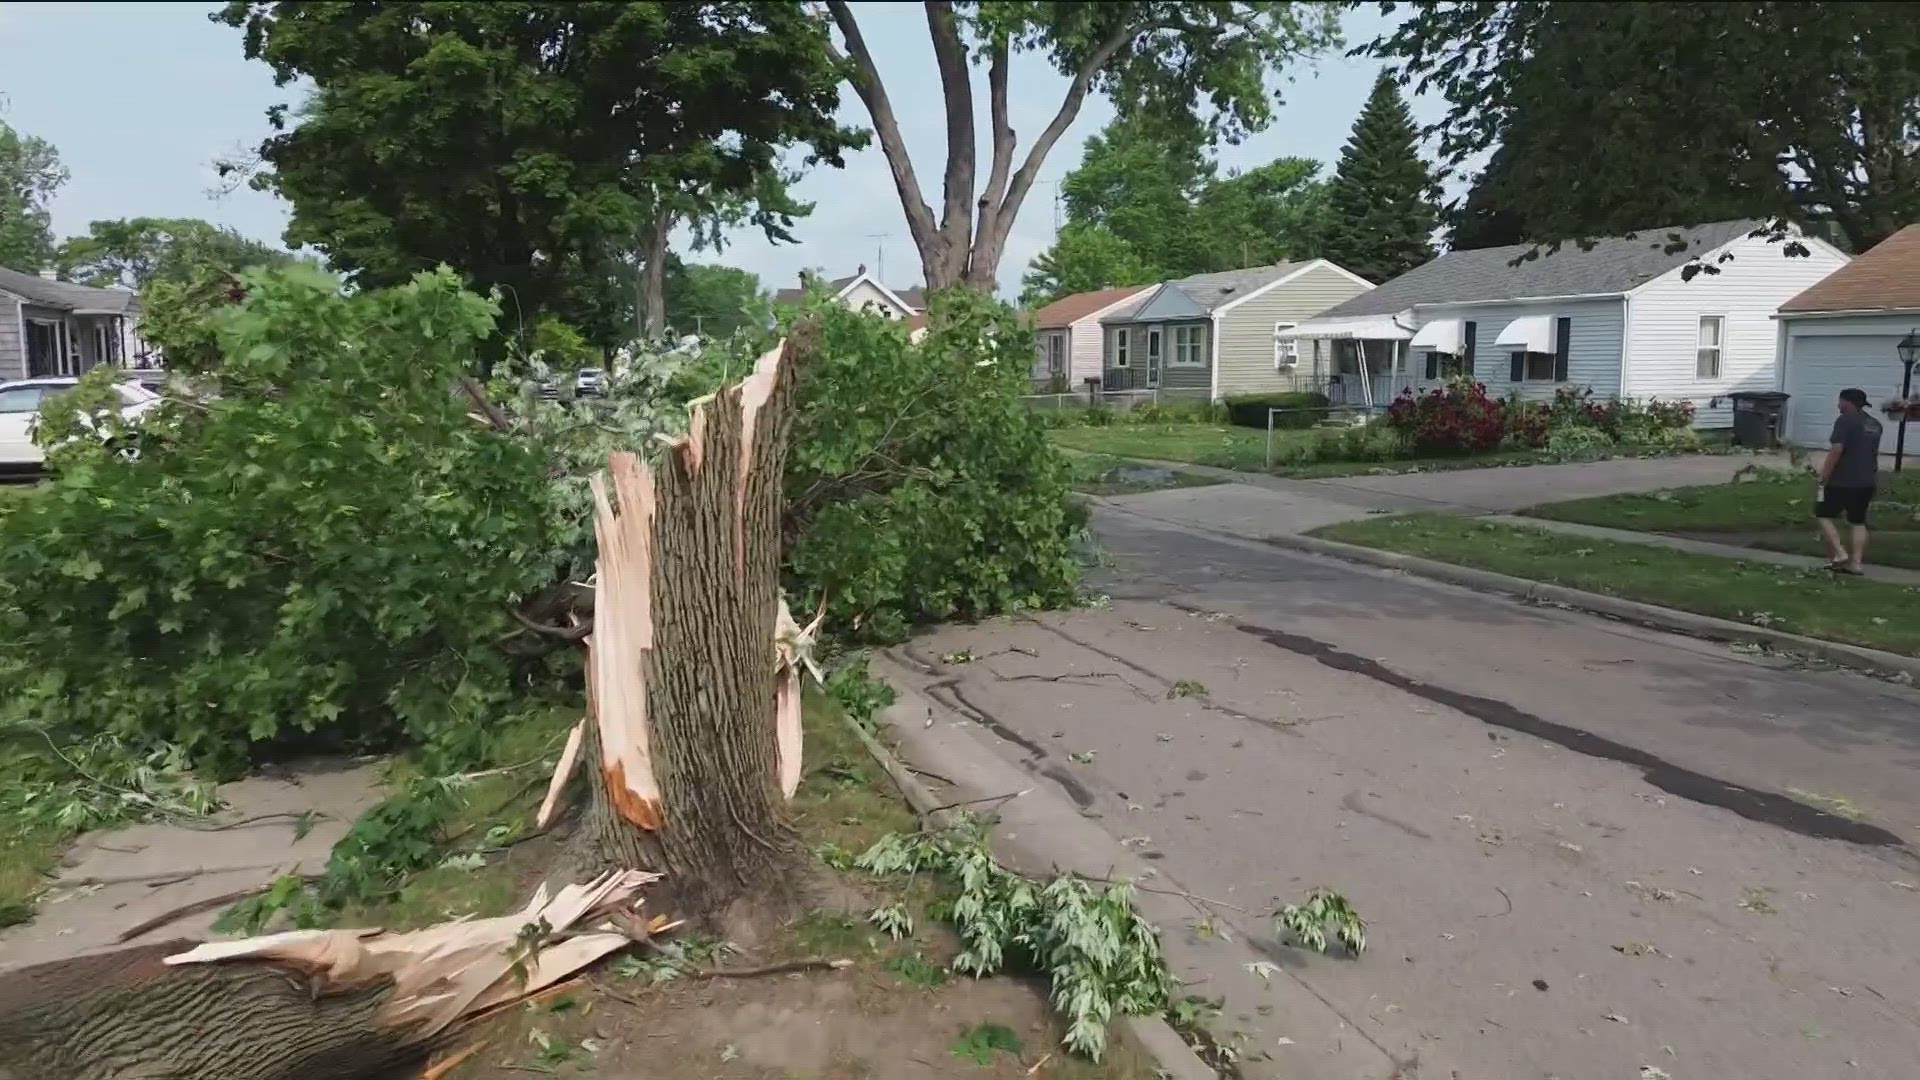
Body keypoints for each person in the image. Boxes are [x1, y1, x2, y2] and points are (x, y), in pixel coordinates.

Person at [1815, 387, 1884, 574]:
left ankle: (1839, 553)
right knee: (1857, 521)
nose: (1838, 405)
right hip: (1867, 480)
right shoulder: (1874, 424)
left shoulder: (1845, 421)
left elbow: (1837, 450)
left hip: (1843, 480)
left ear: (1848, 402)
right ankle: (1856, 564)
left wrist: (1824, 477)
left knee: (1822, 514)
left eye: (1840, 401)